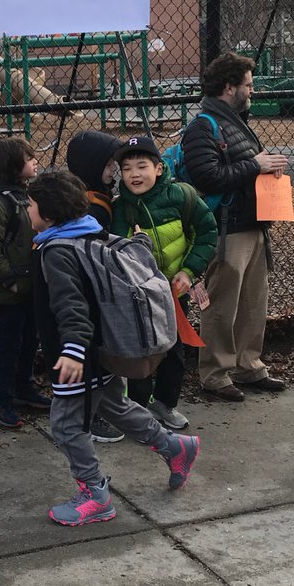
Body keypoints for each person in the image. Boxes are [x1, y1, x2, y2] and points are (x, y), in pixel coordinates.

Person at [29, 171, 200, 527]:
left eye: (30, 204)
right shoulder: (91, 233)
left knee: (64, 426)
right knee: (116, 406)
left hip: (78, 357)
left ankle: (95, 494)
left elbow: (71, 306)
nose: (26, 209)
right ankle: (174, 447)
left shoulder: (56, 252)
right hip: (104, 349)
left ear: (48, 214)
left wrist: (73, 350)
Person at [183, 51, 289, 401]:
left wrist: (263, 169)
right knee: (222, 305)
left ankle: (249, 365)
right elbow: (207, 177)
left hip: (252, 226)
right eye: (248, 85)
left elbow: (238, 168)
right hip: (225, 230)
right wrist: (255, 166)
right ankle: (215, 374)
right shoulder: (203, 126)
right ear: (229, 87)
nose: (252, 91)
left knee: (253, 303)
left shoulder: (236, 121)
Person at [110, 135, 218, 429]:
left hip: (173, 291)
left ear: (158, 168)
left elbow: (207, 233)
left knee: (174, 350)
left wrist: (189, 271)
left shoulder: (182, 196)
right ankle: (138, 407)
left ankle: (165, 404)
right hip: (138, 297)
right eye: (127, 168)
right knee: (141, 352)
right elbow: (114, 250)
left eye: (142, 166)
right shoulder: (120, 209)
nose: (134, 174)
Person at [0, 136, 49, 428]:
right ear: (15, 166)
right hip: (11, 289)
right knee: (9, 344)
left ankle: (23, 387)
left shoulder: (24, 196)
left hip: (30, 286)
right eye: (29, 158)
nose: (35, 161)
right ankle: (0, 400)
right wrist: (9, 279)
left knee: (31, 339)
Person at [65, 128, 126, 445]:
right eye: (108, 165)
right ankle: (93, 415)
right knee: (92, 357)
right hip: (90, 293)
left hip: (95, 290)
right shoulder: (90, 207)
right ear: (91, 166)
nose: (114, 169)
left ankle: (102, 409)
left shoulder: (98, 199)